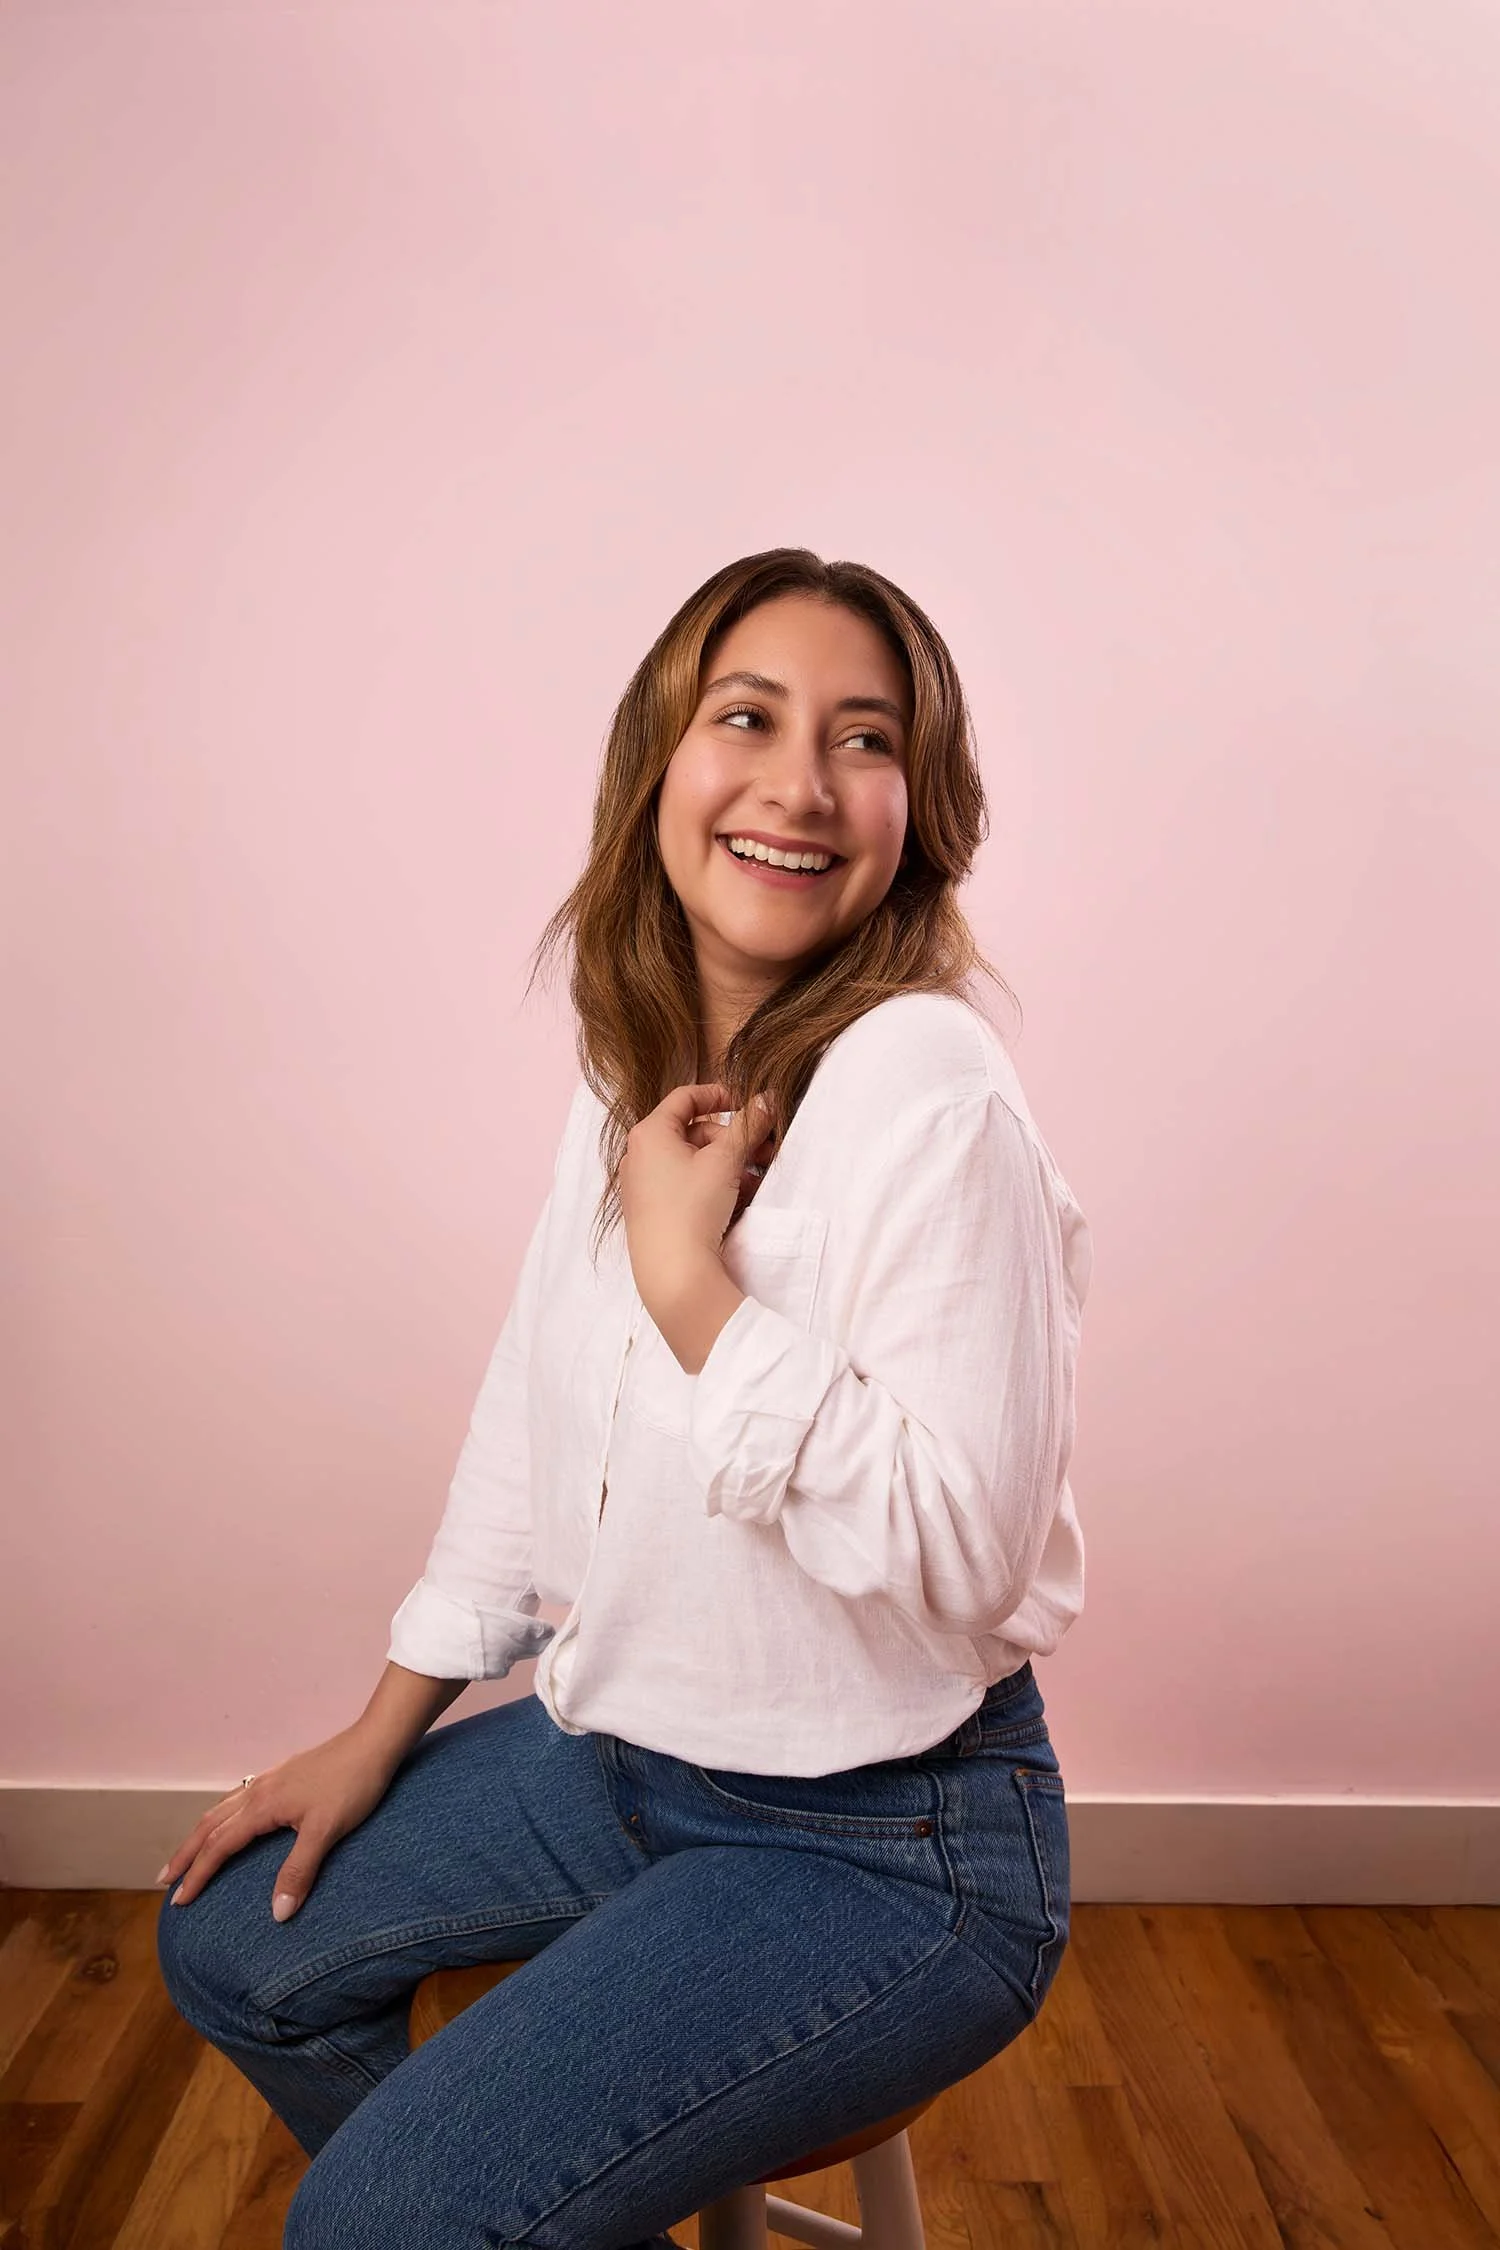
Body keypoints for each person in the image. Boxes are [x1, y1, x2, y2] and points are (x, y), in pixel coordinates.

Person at [156, 548, 1093, 2250]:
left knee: (378, 2225)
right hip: (625, 1760)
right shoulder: (639, 1062)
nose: (800, 783)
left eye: (864, 739)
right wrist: (381, 1733)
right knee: (232, 1941)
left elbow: (967, 1550)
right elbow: (530, 1429)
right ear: (663, 762)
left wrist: (695, 1293)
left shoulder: (932, 1090)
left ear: (920, 806)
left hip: (892, 1848)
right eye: (750, 717)